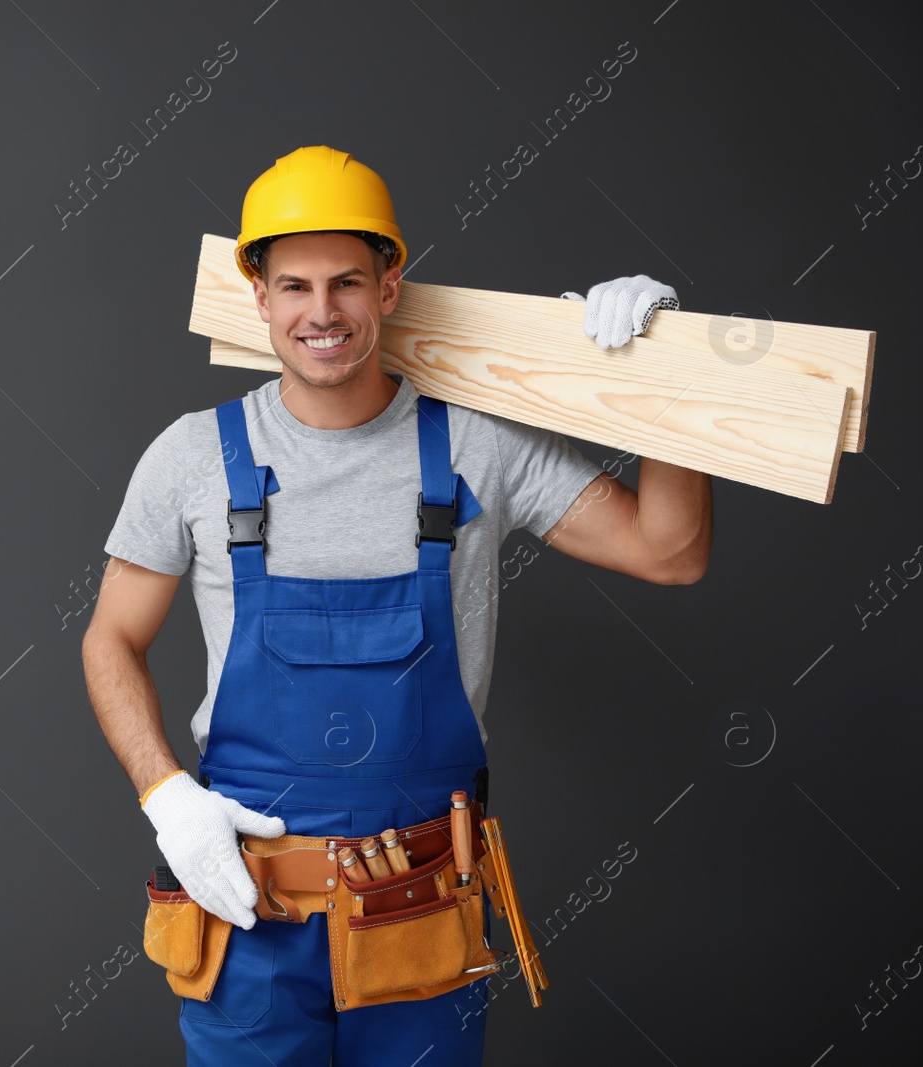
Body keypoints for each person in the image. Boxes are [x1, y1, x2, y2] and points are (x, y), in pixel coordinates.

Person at [80, 145, 711, 1066]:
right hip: (249, 911)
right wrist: (167, 794)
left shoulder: (476, 445)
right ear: (258, 296)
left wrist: (669, 374)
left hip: (425, 915)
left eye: (346, 281)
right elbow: (110, 638)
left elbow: (673, 550)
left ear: (390, 285)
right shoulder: (191, 457)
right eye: (293, 284)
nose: (320, 311)